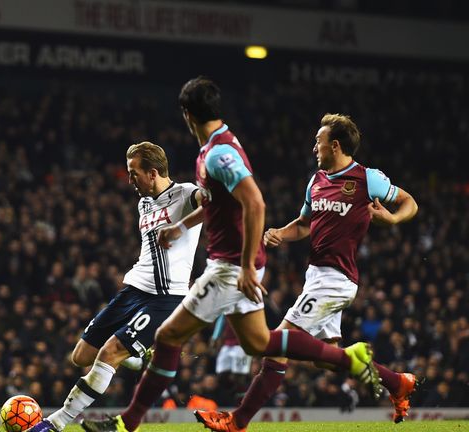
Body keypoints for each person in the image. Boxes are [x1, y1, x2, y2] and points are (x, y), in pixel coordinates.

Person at [82, 77, 380, 432]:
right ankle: (349, 358)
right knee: (260, 343)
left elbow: (254, 201)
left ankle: (125, 423)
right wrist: (182, 227)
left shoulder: (220, 153)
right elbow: (214, 201)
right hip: (231, 263)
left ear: (186, 114)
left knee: (167, 338)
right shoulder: (216, 146)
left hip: (228, 267)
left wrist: (245, 267)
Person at [196, 113, 420, 431]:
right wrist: (277, 234)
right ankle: (397, 382)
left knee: (278, 345)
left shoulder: (367, 178)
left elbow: (409, 201)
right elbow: (303, 225)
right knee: (324, 358)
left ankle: (237, 420)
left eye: (319, 140)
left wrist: (394, 219)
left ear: (336, 145)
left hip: (337, 279)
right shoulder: (316, 181)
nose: (315, 146)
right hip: (316, 276)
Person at [30, 142, 203, 432]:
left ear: (153, 172)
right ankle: (138, 357)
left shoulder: (186, 194)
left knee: (110, 353)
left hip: (165, 297)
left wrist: (181, 227)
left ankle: (55, 423)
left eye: (134, 173)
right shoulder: (144, 203)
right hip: (133, 289)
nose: (130, 179)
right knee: (80, 356)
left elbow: (219, 203)